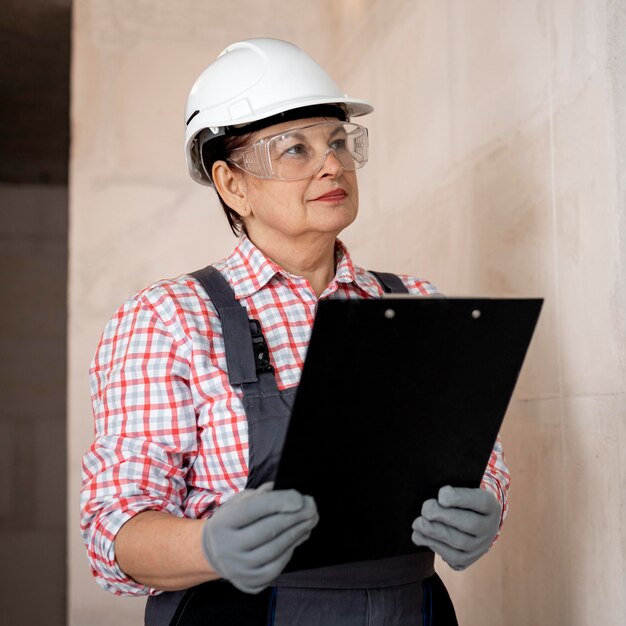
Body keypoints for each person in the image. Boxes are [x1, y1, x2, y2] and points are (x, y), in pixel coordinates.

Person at [81, 38, 510, 626]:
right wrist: (205, 546)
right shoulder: (169, 318)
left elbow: (478, 461)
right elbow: (113, 525)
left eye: (338, 142)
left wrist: (483, 507)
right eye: (294, 150)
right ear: (232, 185)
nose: (332, 164)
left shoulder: (416, 303)